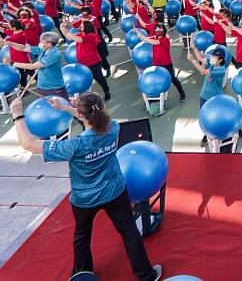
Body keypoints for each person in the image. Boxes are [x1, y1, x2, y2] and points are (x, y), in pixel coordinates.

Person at [9, 92, 162, 281]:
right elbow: (92, 117)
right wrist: (64, 108)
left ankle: (82, 274)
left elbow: (28, 144)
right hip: (115, 191)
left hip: (85, 199)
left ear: (81, 116)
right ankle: (146, 276)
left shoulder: (74, 146)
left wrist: (18, 115)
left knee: (82, 236)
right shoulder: (113, 127)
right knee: (129, 232)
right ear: (102, 109)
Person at [0, 31, 69, 100]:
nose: (40, 43)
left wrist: (12, 63)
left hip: (54, 87)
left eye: (42, 42)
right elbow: (24, 48)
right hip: (42, 85)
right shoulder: (43, 49)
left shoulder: (54, 54)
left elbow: (33, 66)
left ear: (49, 44)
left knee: (63, 107)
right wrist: (9, 43)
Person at [187, 45, 229, 147]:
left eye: (215, 57)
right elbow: (202, 58)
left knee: (219, 117)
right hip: (204, 95)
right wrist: (194, 48)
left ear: (220, 60)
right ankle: (206, 135)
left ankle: (234, 130)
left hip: (215, 97)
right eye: (213, 56)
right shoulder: (212, 63)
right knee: (204, 117)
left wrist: (193, 60)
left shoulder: (221, 70)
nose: (212, 58)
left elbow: (204, 71)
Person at [62, 20, 111, 101]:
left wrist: (67, 32)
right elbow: (70, 37)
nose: (80, 26)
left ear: (87, 28)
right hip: (82, 63)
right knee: (84, 79)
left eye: (82, 26)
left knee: (99, 78)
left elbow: (79, 40)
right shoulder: (81, 34)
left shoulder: (92, 36)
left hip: (93, 63)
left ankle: (107, 92)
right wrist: (63, 29)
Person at [136, 23, 186, 102]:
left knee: (173, 79)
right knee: (155, 80)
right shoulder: (155, 37)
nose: (158, 32)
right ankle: (154, 98)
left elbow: (154, 42)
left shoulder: (165, 39)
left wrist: (143, 37)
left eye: (160, 31)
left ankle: (182, 93)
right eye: (157, 30)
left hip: (166, 63)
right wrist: (138, 33)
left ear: (164, 31)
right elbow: (147, 39)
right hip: (156, 64)